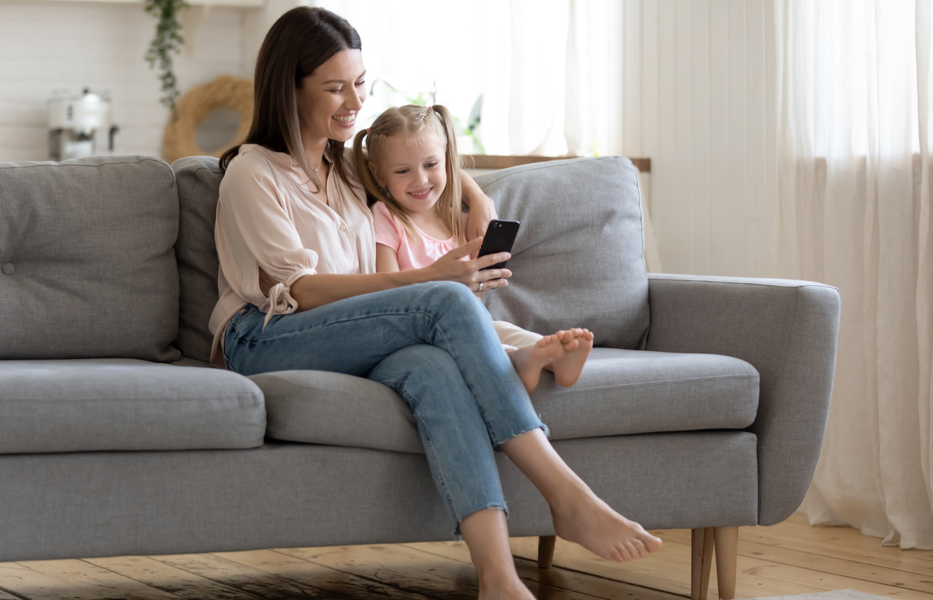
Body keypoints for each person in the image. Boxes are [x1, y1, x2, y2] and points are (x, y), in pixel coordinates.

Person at [210, 7, 661, 599]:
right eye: (335, 87)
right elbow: (300, 290)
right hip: (264, 337)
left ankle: (497, 577)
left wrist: (469, 195)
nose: (354, 100)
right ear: (288, 90)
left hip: (345, 336)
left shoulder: (347, 171)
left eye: (361, 82)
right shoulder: (253, 173)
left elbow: (430, 168)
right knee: (442, 300)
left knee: (435, 368)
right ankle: (567, 497)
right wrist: (424, 280)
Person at [354, 103, 595, 394]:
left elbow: (474, 287)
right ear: (379, 176)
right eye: (403, 171)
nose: (421, 180)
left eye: (431, 165)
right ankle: (518, 360)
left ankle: (550, 357)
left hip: (472, 320)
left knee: (506, 330)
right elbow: (387, 292)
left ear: (445, 161)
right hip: (421, 331)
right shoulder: (387, 218)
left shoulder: (460, 220)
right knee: (484, 338)